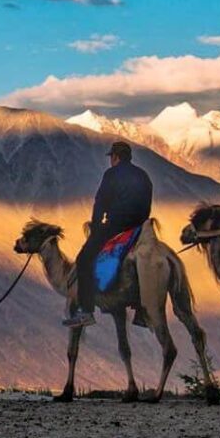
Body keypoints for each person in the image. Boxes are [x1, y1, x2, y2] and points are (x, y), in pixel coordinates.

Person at [63, 141, 153, 328]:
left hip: (116, 227)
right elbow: (147, 206)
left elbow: (101, 203)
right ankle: (142, 310)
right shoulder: (143, 176)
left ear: (116, 157)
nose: (111, 160)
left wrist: (97, 227)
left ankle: (86, 311)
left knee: (84, 260)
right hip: (139, 229)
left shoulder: (111, 174)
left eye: (112, 157)